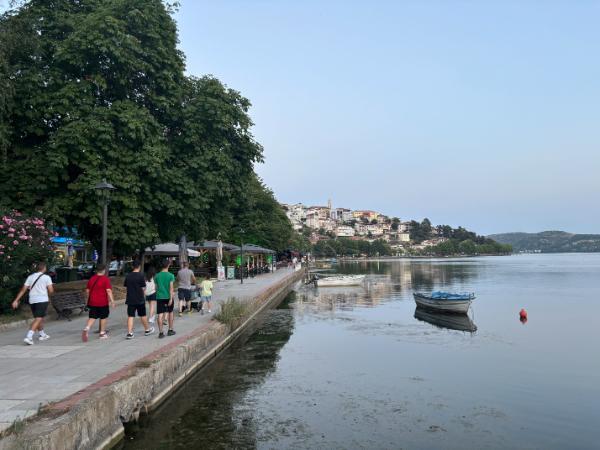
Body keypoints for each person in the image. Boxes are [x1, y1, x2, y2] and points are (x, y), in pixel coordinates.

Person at [11, 261, 54, 345]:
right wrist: (48, 295)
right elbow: (51, 290)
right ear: (44, 268)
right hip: (42, 300)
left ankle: (42, 334)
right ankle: (29, 337)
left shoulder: (30, 277)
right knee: (38, 318)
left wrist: (16, 300)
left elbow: (23, 290)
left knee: (39, 317)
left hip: (32, 300)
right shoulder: (46, 277)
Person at [82, 263, 115, 342]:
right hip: (102, 302)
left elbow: (87, 291)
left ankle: (87, 328)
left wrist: (90, 298)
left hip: (93, 302)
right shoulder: (105, 279)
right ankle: (102, 333)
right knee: (103, 317)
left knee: (92, 317)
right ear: (103, 270)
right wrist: (112, 301)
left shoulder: (92, 279)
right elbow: (109, 291)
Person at [124, 260, 154, 339]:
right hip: (139, 299)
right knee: (142, 315)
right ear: (139, 267)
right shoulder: (141, 276)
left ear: (132, 267)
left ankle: (130, 333)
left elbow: (126, 288)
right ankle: (147, 330)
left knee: (130, 316)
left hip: (130, 299)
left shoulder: (128, 276)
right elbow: (143, 288)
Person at [155, 259, 175, 338]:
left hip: (160, 297)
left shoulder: (157, 275)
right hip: (168, 297)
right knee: (170, 312)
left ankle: (161, 332)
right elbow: (171, 288)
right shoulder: (171, 275)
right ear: (168, 265)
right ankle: (170, 330)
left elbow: (156, 287)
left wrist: (159, 293)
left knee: (160, 314)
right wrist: (170, 298)